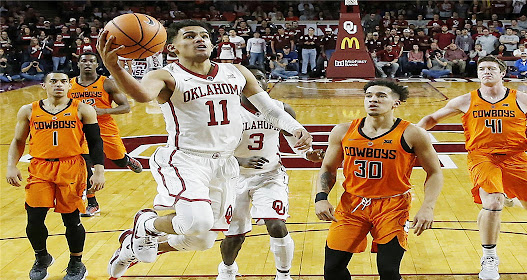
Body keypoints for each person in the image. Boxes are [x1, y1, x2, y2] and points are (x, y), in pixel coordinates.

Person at [97, 20, 312, 279]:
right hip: (186, 159)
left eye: (205, 36)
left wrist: (295, 127)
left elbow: (268, 108)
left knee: (202, 240)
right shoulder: (165, 75)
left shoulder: (237, 72)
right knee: (198, 222)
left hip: (225, 164)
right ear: (172, 48)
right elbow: (142, 95)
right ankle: (145, 224)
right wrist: (114, 68)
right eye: (189, 36)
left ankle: (131, 247)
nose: (200, 40)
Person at [417, 55, 527, 280]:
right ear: (478, 73)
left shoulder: (523, 99)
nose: (486, 72)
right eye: (482, 69)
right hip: (482, 156)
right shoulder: (465, 100)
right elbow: (432, 118)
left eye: (491, 68)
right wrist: (415, 132)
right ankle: (489, 258)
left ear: (502, 73)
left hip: (515, 157)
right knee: (492, 202)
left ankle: (509, 197)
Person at [315, 80, 443, 280]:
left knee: (389, 271)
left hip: (392, 206)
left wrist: (428, 207)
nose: (373, 99)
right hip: (352, 205)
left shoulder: (413, 133)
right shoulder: (343, 131)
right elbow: (328, 168)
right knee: (332, 269)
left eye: (381, 96)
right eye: (369, 96)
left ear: (396, 102)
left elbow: (435, 172)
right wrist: (321, 197)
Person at [218, 65, 324, 280]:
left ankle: (284, 275)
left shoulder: (281, 109)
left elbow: (295, 141)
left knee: (276, 224)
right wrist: (241, 160)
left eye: (261, 78)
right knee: (234, 236)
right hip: (233, 177)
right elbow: (213, 152)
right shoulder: (226, 112)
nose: (258, 82)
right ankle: (227, 270)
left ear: (268, 83)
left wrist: (309, 155)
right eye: (252, 79)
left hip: (270, 175)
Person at [6, 72, 106, 280]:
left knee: (71, 220)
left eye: (63, 82)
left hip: (71, 167)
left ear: (69, 86)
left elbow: (96, 142)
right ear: (44, 85)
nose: (58, 85)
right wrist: (11, 165)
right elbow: (18, 140)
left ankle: (76, 263)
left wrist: (98, 170)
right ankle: (42, 257)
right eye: (53, 81)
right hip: (40, 168)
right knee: (34, 219)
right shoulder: (29, 110)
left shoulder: (83, 109)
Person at [68, 52, 143, 217]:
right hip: (81, 129)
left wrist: (103, 111)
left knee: (118, 160)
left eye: (92, 61)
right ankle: (92, 203)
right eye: (84, 61)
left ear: (97, 65)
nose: (88, 64)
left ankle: (127, 160)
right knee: (85, 165)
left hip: (104, 126)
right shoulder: (69, 85)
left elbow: (126, 107)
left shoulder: (107, 83)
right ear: (78, 64)